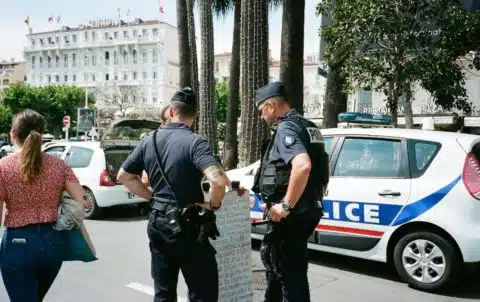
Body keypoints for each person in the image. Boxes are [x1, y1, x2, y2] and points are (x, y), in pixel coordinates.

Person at [117, 87, 244, 302]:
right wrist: (214, 204)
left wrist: (151, 196)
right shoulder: (195, 142)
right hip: (189, 225)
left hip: (158, 222)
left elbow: (124, 176)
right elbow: (217, 180)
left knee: (164, 291)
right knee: (202, 291)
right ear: (196, 116)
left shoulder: (149, 140)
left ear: (172, 112)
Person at [0, 109, 91, 302]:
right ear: (42, 134)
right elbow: (82, 202)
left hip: (18, 244)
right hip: (53, 242)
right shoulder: (59, 166)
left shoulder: (3, 167)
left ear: (13, 134)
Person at [253, 82, 329, 301]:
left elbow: (303, 165)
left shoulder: (287, 128)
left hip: (291, 215)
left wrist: (285, 205)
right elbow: (323, 163)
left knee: (289, 276)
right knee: (281, 269)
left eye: (260, 112)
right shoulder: (309, 125)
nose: (261, 117)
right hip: (308, 209)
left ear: (270, 106)